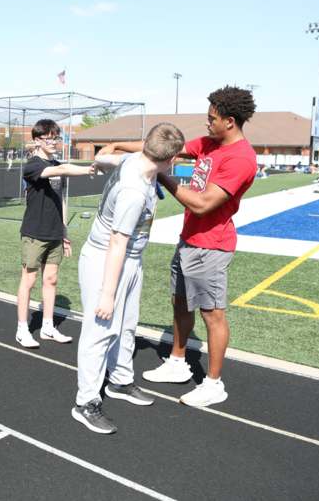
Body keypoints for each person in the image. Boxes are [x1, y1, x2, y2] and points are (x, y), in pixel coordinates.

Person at [140, 85, 257, 407]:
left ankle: (214, 383)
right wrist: (121, 148)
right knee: (179, 303)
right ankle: (177, 362)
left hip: (212, 246)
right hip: (188, 240)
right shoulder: (209, 143)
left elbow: (203, 204)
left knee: (212, 314)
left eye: (212, 118)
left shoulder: (241, 158)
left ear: (230, 121)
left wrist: (163, 177)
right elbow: (167, 149)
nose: (207, 124)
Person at [71, 123, 185, 434]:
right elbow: (116, 242)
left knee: (126, 326)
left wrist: (100, 159)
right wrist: (108, 294)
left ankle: (120, 381)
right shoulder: (134, 191)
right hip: (106, 260)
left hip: (131, 260)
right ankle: (85, 402)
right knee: (100, 331)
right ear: (171, 158)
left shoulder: (133, 161)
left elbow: (109, 159)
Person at [16, 119, 97, 348]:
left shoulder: (57, 164)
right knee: (29, 281)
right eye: (48, 138)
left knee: (51, 280)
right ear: (37, 140)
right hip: (34, 232)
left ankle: (48, 327)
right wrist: (89, 169)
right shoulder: (33, 165)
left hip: (54, 233)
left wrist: (64, 231)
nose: (53, 142)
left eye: (55, 137)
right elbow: (61, 169)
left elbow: (60, 200)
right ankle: (22, 329)